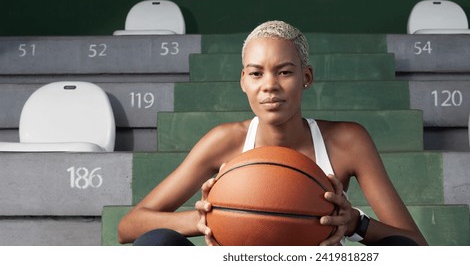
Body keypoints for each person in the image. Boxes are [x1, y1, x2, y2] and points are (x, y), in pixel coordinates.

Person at [117, 20, 427, 246]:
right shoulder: (224, 142)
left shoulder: (348, 141)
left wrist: (354, 223)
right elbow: (129, 227)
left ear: (306, 77)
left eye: (284, 71)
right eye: (256, 73)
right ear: (243, 81)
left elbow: (415, 244)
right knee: (157, 243)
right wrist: (207, 219)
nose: (269, 85)